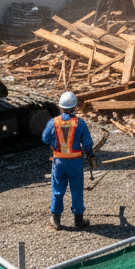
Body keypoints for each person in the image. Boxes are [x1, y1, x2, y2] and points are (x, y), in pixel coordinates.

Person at [41, 91, 95, 231]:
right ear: (75, 108)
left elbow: (45, 138)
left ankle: (56, 219)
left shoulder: (53, 122)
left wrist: (55, 144)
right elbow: (87, 143)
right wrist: (90, 155)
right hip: (75, 163)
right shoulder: (80, 123)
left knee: (58, 190)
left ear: (60, 107)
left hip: (58, 162)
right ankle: (78, 220)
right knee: (76, 190)